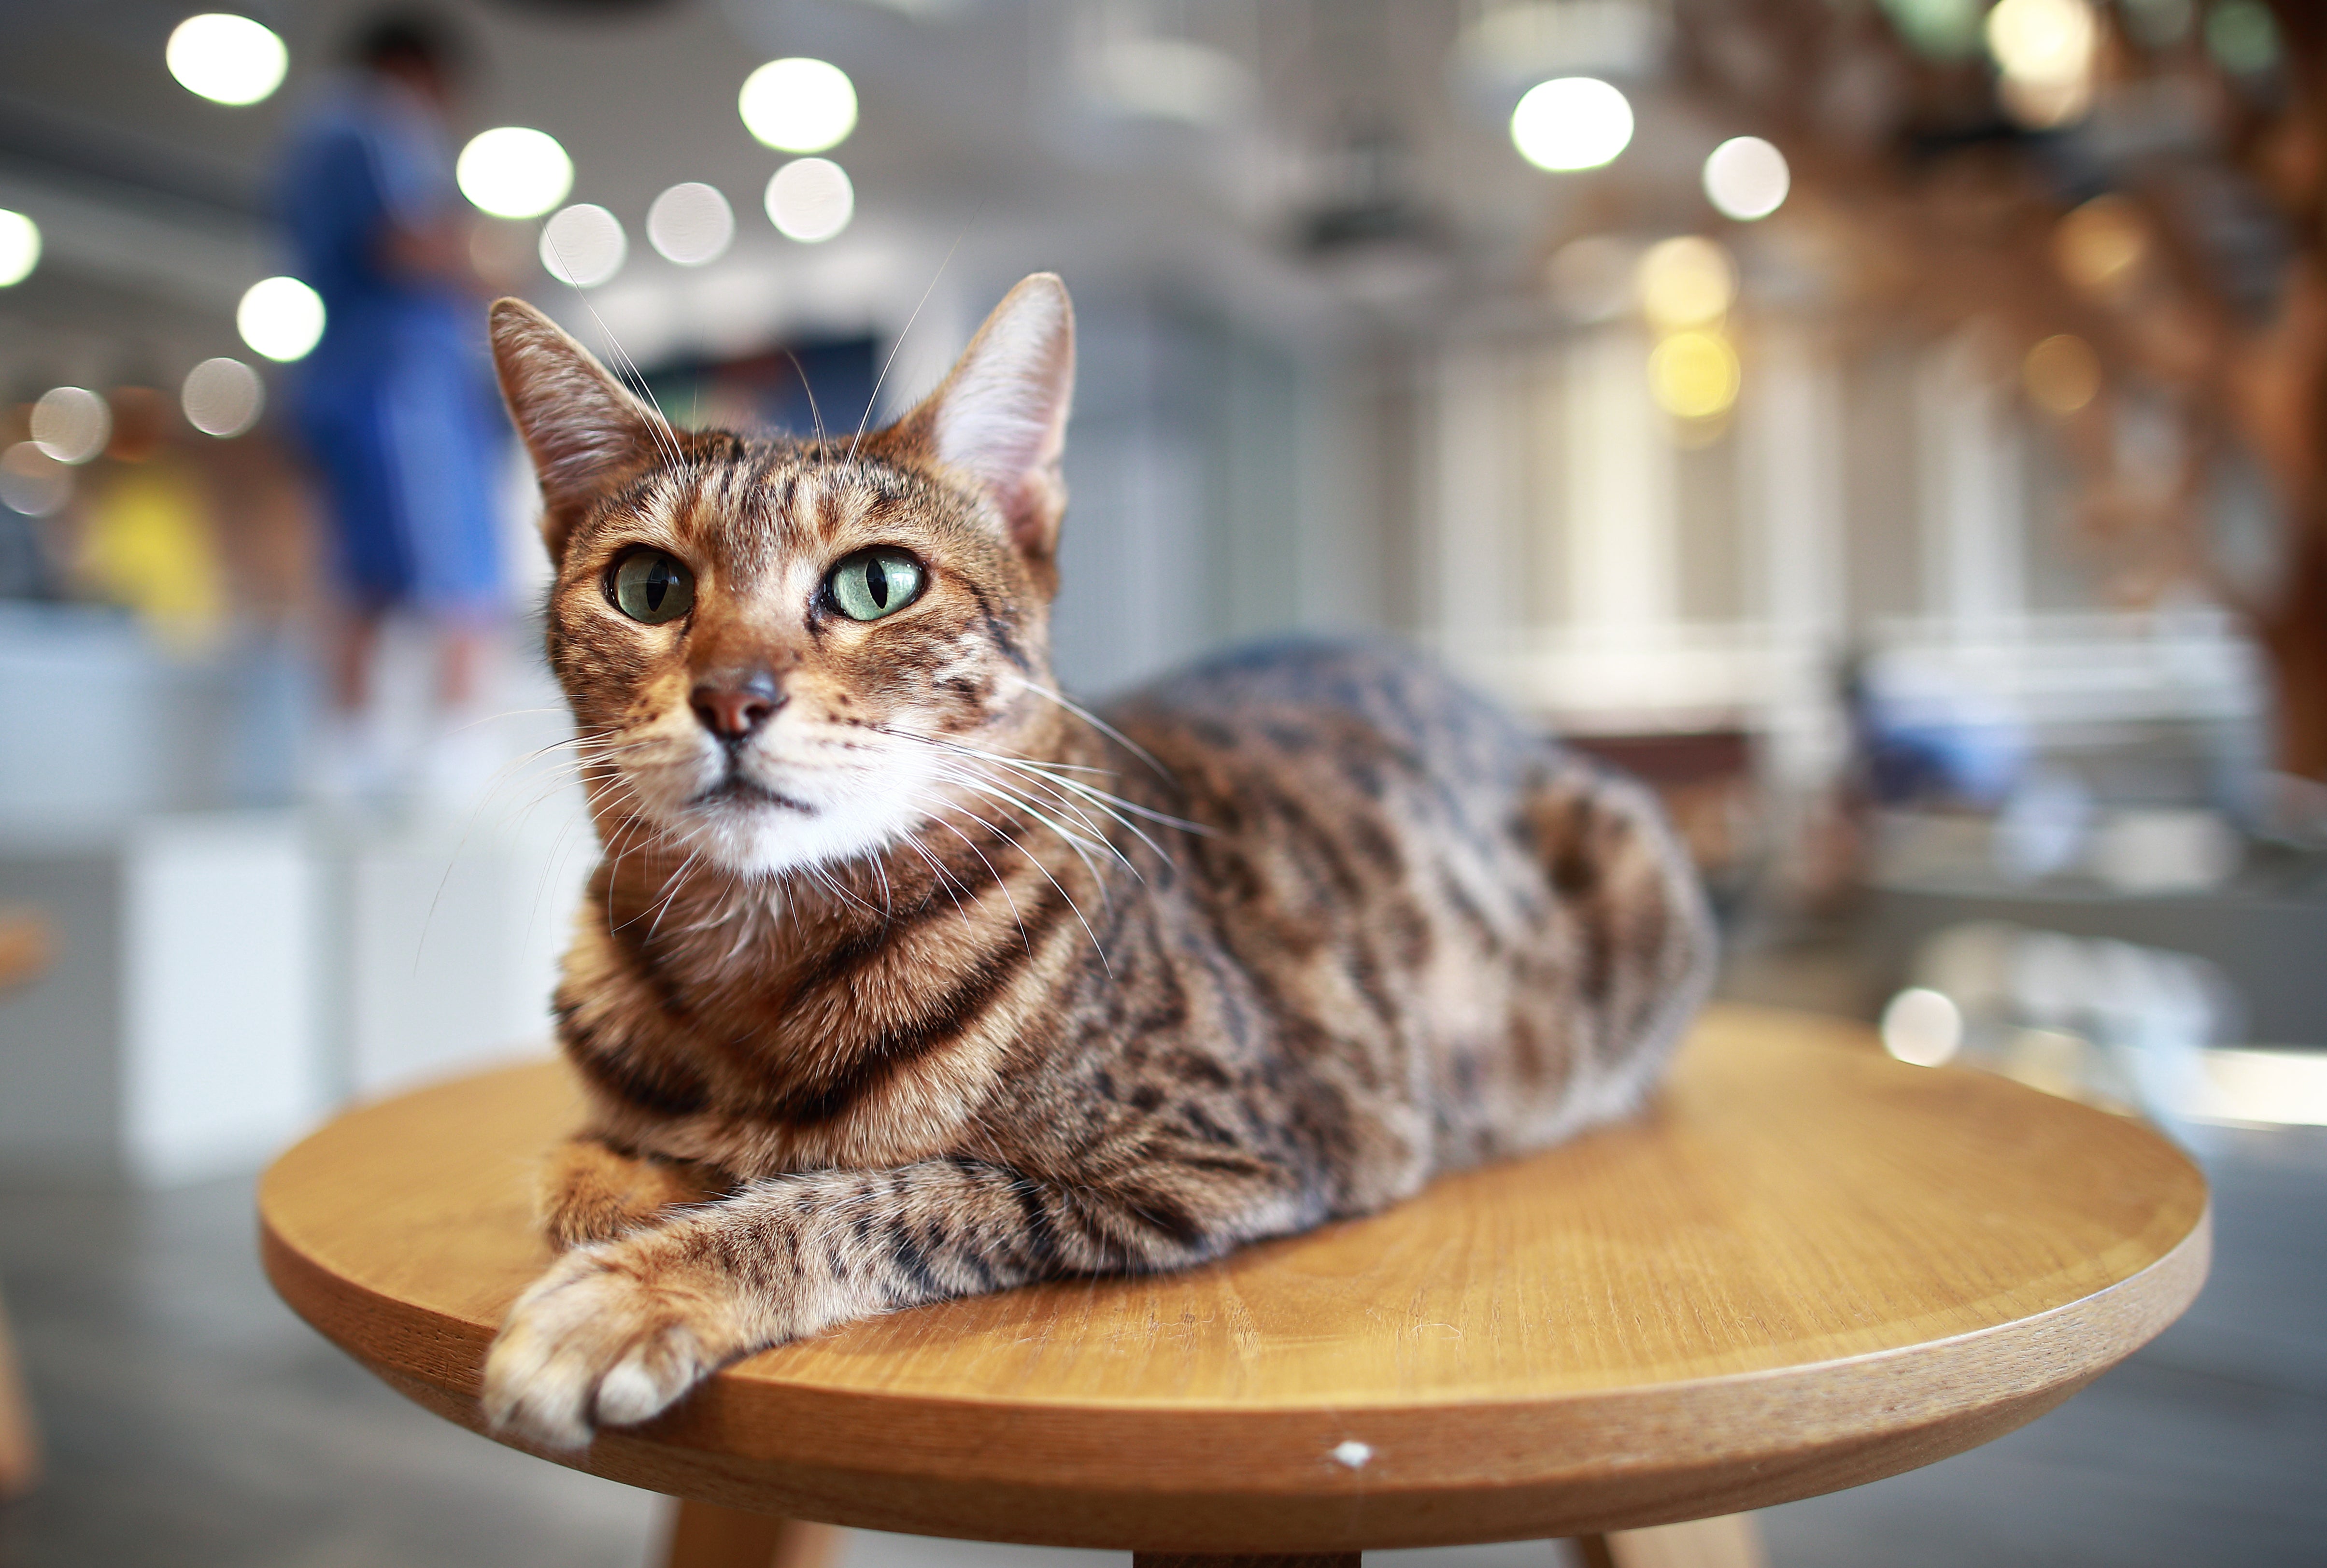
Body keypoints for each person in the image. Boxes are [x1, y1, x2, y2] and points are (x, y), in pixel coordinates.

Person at [278, 8, 507, 807]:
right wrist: (489, 272)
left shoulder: (312, 136)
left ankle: (349, 748)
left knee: (360, 571)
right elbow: (403, 238)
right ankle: (457, 751)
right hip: (401, 388)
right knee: (461, 565)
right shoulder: (373, 121)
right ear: (421, 74)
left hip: (346, 380)